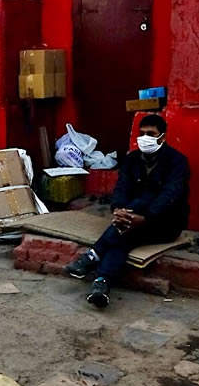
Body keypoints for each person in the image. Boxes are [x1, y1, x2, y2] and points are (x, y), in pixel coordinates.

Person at [65, 114, 190, 308]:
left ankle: (93, 256)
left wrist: (145, 218)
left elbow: (170, 195)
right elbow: (122, 187)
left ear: (162, 137)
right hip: (131, 220)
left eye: (151, 134)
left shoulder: (177, 162)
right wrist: (118, 209)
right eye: (142, 133)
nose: (145, 138)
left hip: (165, 223)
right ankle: (101, 283)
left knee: (144, 202)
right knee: (126, 236)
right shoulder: (132, 159)